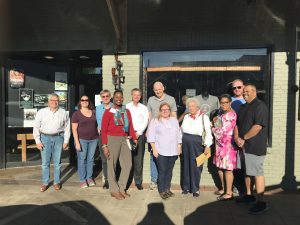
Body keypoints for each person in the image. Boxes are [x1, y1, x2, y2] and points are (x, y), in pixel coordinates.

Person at [234, 84, 269, 214]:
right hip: (243, 146)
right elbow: (237, 124)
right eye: (244, 92)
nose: (244, 94)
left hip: (255, 146)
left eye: (247, 91)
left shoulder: (260, 106)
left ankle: (261, 202)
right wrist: (237, 137)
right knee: (247, 172)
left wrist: (243, 138)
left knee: (257, 173)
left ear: (254, 91)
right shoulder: (243, 107)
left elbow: (258, 126)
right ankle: (249, 195)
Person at [101, 90, 137, 200]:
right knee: (112, 164)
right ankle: (113, 190)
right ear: (113, 98)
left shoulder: (126, 111)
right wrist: (104, 145)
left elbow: (130, 126)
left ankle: (121, 188)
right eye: (116, 97)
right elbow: (103, 130)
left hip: (124, 139)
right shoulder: (108, 112)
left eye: (121, 97)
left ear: (123, 98)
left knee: (128, 164)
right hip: (112, 139)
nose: (119, 99)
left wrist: (134, 138)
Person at [33, 93, 70, 192]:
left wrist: (66, 141)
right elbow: (36, 127)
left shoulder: (63, 112)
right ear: (48, 102)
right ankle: (45, 183)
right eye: (52, 100)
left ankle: (56, 182)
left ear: (59, 101)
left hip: (58, 138)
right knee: (45, 163)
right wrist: (37, 141)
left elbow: (67, 127)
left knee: (57, 162)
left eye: (56, 100)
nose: (54, 102)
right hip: (45, 138)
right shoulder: (41, 112)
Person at [147, 103, 182, 200]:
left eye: (167, 109)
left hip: (173, 151)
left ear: (170, 111)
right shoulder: (155, 121)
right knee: (162, 171)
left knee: (169, 171)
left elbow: (178, 135)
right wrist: (154, 149)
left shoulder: (174, 120)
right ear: (160, 111)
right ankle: (161, 190)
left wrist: (179, 147)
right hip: (161, 151)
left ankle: (167, 189)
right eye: (163, 109)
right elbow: (151, 136)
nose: (165, 111)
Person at [147, 81, 177, 190]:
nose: (158, 91)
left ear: (163, 88)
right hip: (154, 132)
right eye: (156, 90)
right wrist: (149, 129)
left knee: (164, 159)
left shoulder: (171, 99)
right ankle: (154, 180)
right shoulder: (150, 100)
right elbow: (149, 116)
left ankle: (163, 182)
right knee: (153, 157)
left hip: (166, 134)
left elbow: (174, 116)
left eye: (159, 89)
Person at [181, 97, 213, 197]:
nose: (190, 108)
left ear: (197, 107)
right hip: (185, 142)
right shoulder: (186, 117)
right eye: (189, 106)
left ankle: (195, 189)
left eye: (192, 106)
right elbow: (181, 131)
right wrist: (180, 144)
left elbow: (208, 133)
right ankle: (186, 187)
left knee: (196, 165)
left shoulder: (204, 117)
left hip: (197, 143)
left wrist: (208, 146)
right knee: (186, 164)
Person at [211, 94, 237, 201]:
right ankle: (223, 188)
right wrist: (216, 121)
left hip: (227, 147)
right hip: (220, 147)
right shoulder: (222, 115)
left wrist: (212, 127)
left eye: (226, 102)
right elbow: (220, 127)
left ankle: (229, 193)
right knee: (220, 168)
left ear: (230, 102)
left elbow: (223, 132)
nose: (224, 104)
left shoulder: (231, 115)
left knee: (227, 170)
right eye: (222, 103)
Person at [71, 95, 99, 188]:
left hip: (94, 139)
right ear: (80, 102)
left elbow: (97, 124)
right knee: (82, 159)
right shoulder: (76, 114)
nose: (84, 101)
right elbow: (74, 129)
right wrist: (77, 142)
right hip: (82, 140)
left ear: (88, 101)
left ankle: (89, 178)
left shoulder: (94, 112)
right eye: (82, 100)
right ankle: (83, 180)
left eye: (86, 100)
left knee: (91, 159)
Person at [126, 88, 149, 190]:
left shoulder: (144, 108)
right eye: (135, 95)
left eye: (138, 95)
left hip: (139, 135)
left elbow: (145, 121)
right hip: (128, 135)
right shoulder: (126, 106)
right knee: (127, 159)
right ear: (131, 95)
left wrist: (138, 133)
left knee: (138, 159)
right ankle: (127, 180)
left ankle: (138, 181)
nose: (136, 97)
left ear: (140, 96)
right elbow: (125, 121)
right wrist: (130, 133)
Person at [231, 79, 246, 195]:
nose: (236, 89)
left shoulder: (247, 100)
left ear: (243, 87)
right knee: (234, 164)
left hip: (243, 137)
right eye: (234, 88)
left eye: (239, 87)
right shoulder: (228, 101)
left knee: (243, 164)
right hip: (230, 138)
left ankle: (244, 188)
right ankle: (235, 186)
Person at [96, 89, 113, 189]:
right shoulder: (98, 108)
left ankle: (113, 179)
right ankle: (106, 180)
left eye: (107, 96)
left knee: (114, 157)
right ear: (101, 98)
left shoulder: (115, 108)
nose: (105, 98)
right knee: (104, 158)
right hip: (102, 135)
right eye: (103, 96)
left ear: (110, 97)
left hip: (112, 135)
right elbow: (97, 121)